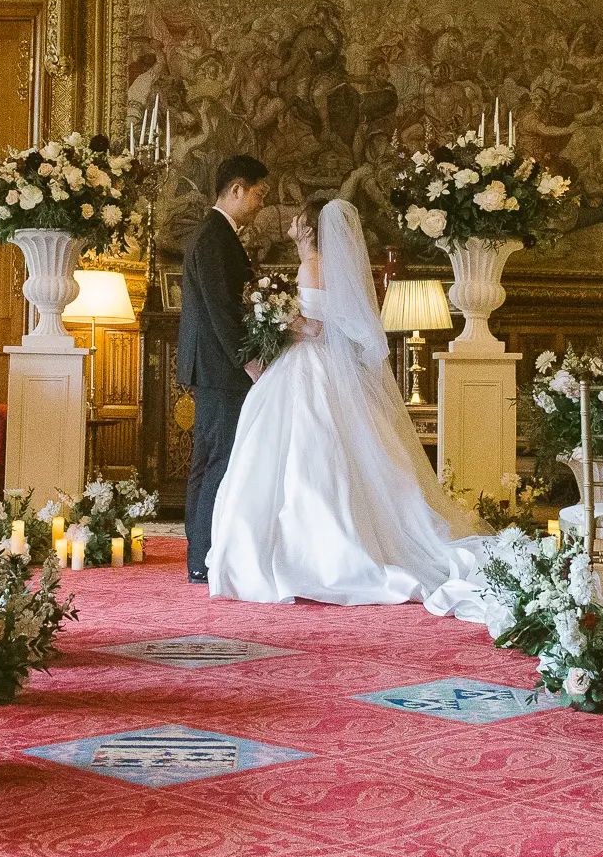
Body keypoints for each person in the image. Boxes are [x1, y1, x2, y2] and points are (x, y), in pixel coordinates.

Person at [207, 196, 488, 620]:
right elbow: (334, 323)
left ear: (306, 227)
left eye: (297, 218)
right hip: (325, 368)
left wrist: (279, 319)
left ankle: (308, 553)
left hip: (306, 367)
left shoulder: (310, 266)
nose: (291, 222)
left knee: (299, 454)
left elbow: (316, 326)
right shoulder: (327, 266)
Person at [177, 154, 269, 583]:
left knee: (210, 461)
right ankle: (203, 557)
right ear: (236, 189)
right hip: (219, 369)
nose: (260, 203)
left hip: (213, 366)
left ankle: (202, 554)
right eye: (258, 193)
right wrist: (248, 359)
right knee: (218, 462)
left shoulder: (217, 234)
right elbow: (221, 309)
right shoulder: (215, 237)